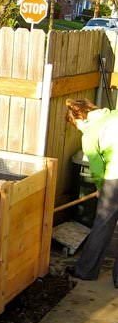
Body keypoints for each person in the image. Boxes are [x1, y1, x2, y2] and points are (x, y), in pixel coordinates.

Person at [65, 98, 118, 288]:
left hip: (115, 177)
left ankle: (86, 271)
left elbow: (96, 168)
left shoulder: (89, 133)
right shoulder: (113, 115)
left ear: (80, 117)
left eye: (75, 124)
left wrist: (99, 188)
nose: (77, 128)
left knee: (103, 225)